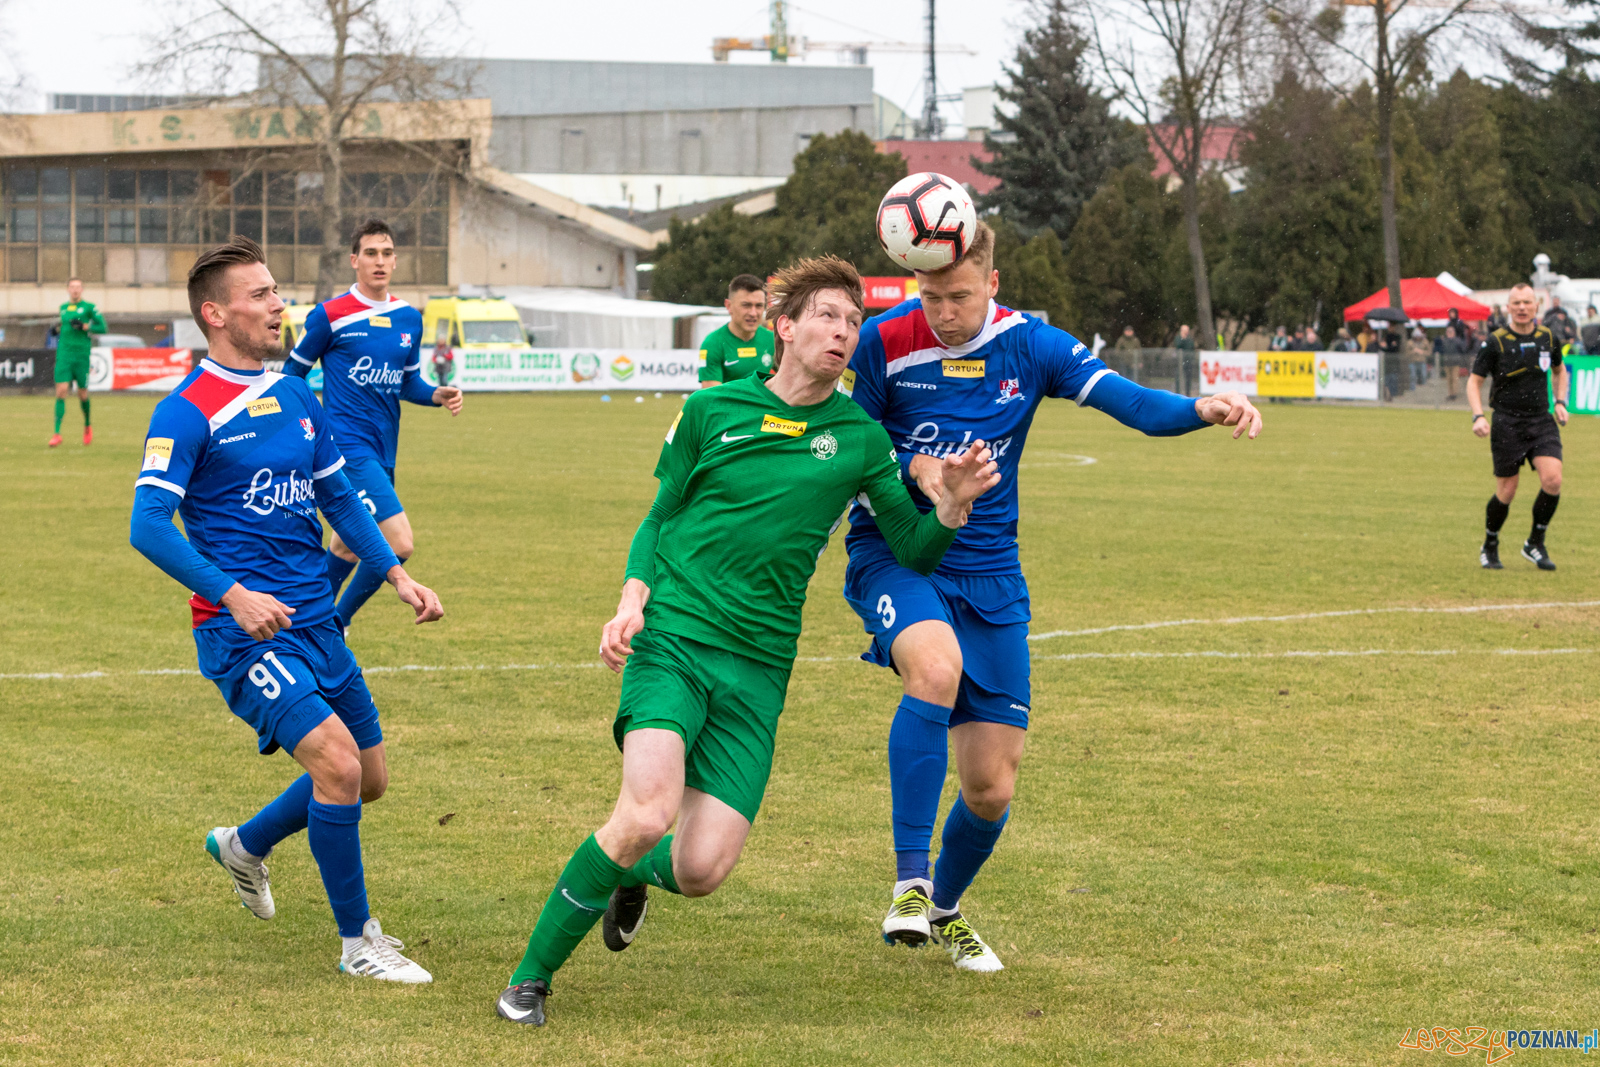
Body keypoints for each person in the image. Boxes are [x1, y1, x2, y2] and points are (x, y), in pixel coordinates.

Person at [494, 255, 1001, 1028]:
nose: (843, 331)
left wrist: (953, 506)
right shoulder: (712, 410)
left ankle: (632, 873)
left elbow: (913, 548)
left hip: (760, 670)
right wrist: (632, 597)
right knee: (643, 811)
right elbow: (660, 514)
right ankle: (528, 981)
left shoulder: (860, 438)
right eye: (828, 316)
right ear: (784, 327)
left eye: (854, 321)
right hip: (675, 639)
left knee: (699, 869)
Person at [840, 220, 1263, 974]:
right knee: (933, 670)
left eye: (959, 296)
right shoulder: (883, 339)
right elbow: (856, 442)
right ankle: (909, 881)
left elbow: (1128, 402)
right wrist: (918, 469)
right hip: (900, 550)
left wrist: (1202, 409)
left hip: (991, 571)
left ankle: (943, 908)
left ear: (993, 285)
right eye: (931, 295)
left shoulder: (1033, 344)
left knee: (990, 786)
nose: (942, 313)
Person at [128, 236, 445, 982]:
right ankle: (358, 942)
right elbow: (147, 522)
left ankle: (244, 844)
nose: (280, 305)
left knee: (370, 778)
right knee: (336, 767)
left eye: (278, 292)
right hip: (244, 633)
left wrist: (394, 574)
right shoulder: (185, 412)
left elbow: (338, 493)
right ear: (216, 313)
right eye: (262, 295)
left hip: (317, 621)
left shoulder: (298, 394)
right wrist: (232, 595)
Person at [284, 219, 464, 632]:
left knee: (347, 544)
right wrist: (304, 427)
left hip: (384, 452)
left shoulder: (407, 318)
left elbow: (408, 383)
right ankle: (336, 623)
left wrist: (437, 394)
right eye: (370, 253)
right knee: (399, 543)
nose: (379, 261)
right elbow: (292, 375)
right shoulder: (331, 314)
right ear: (354, 261)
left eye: (386, 253)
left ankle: (303, 626)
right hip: (345, 450)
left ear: (395, 261)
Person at [1469, 282, 1567, 570]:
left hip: (1540, 420)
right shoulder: (1495, 342)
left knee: (1553, 480)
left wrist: (1561, 402)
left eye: (1527, 303)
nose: (1522, 308)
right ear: (1508, 308)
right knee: (1507, 490)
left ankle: (1535, 542)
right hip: (1506, 422)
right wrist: (1478, 416)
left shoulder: (1548, 337)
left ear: (1537, 306)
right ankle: (1490, 543)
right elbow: (1474, 382)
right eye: (1516, 304)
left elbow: (1561, 371)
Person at [49, 278, 105, 447]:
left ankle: (87, 425)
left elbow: (103, 328)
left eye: (78, 287)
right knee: (61, 391)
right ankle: (57, 433)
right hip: (64, 355)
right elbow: (64, 326)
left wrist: (86, 327)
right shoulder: (63, 308)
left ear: (82, 289)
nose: (75, 290)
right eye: (72, 287)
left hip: (81, 356)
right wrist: (56, 329)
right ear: (68, 289)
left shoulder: (89, 308)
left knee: (82, 394)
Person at [698, 274, 775, 387]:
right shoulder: (713, 344)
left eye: (759, 306)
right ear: (728, 306)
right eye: (746, 305)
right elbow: (712, 398)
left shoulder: (772, 340)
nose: (753, 313)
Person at [1436, 324, 1471, 400]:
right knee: (1449, 379)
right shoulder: (1445, 341)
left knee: (1455, 379)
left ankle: (1454, 394)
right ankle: (1450, 393)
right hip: (1447, 362)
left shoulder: (1457, 341)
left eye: (1451, 332)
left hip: (1455, 363)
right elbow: (1442, 350)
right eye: (1448, 332)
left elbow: (1462, 350)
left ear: (1454, 332)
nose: (1450, 333)